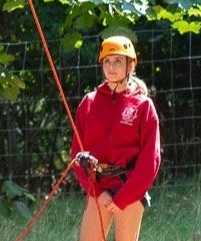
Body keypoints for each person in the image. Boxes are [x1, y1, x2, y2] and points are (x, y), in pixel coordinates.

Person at [69, 36, 160, 241]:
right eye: (107, 61)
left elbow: (150, 161)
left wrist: (123, 198)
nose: (111, 67)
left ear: (131, 64)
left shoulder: (143, 106)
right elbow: (76, 154)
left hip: (128, 190)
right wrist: (98, 192)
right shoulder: (88, 103)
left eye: (118, 61)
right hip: (98, 188)